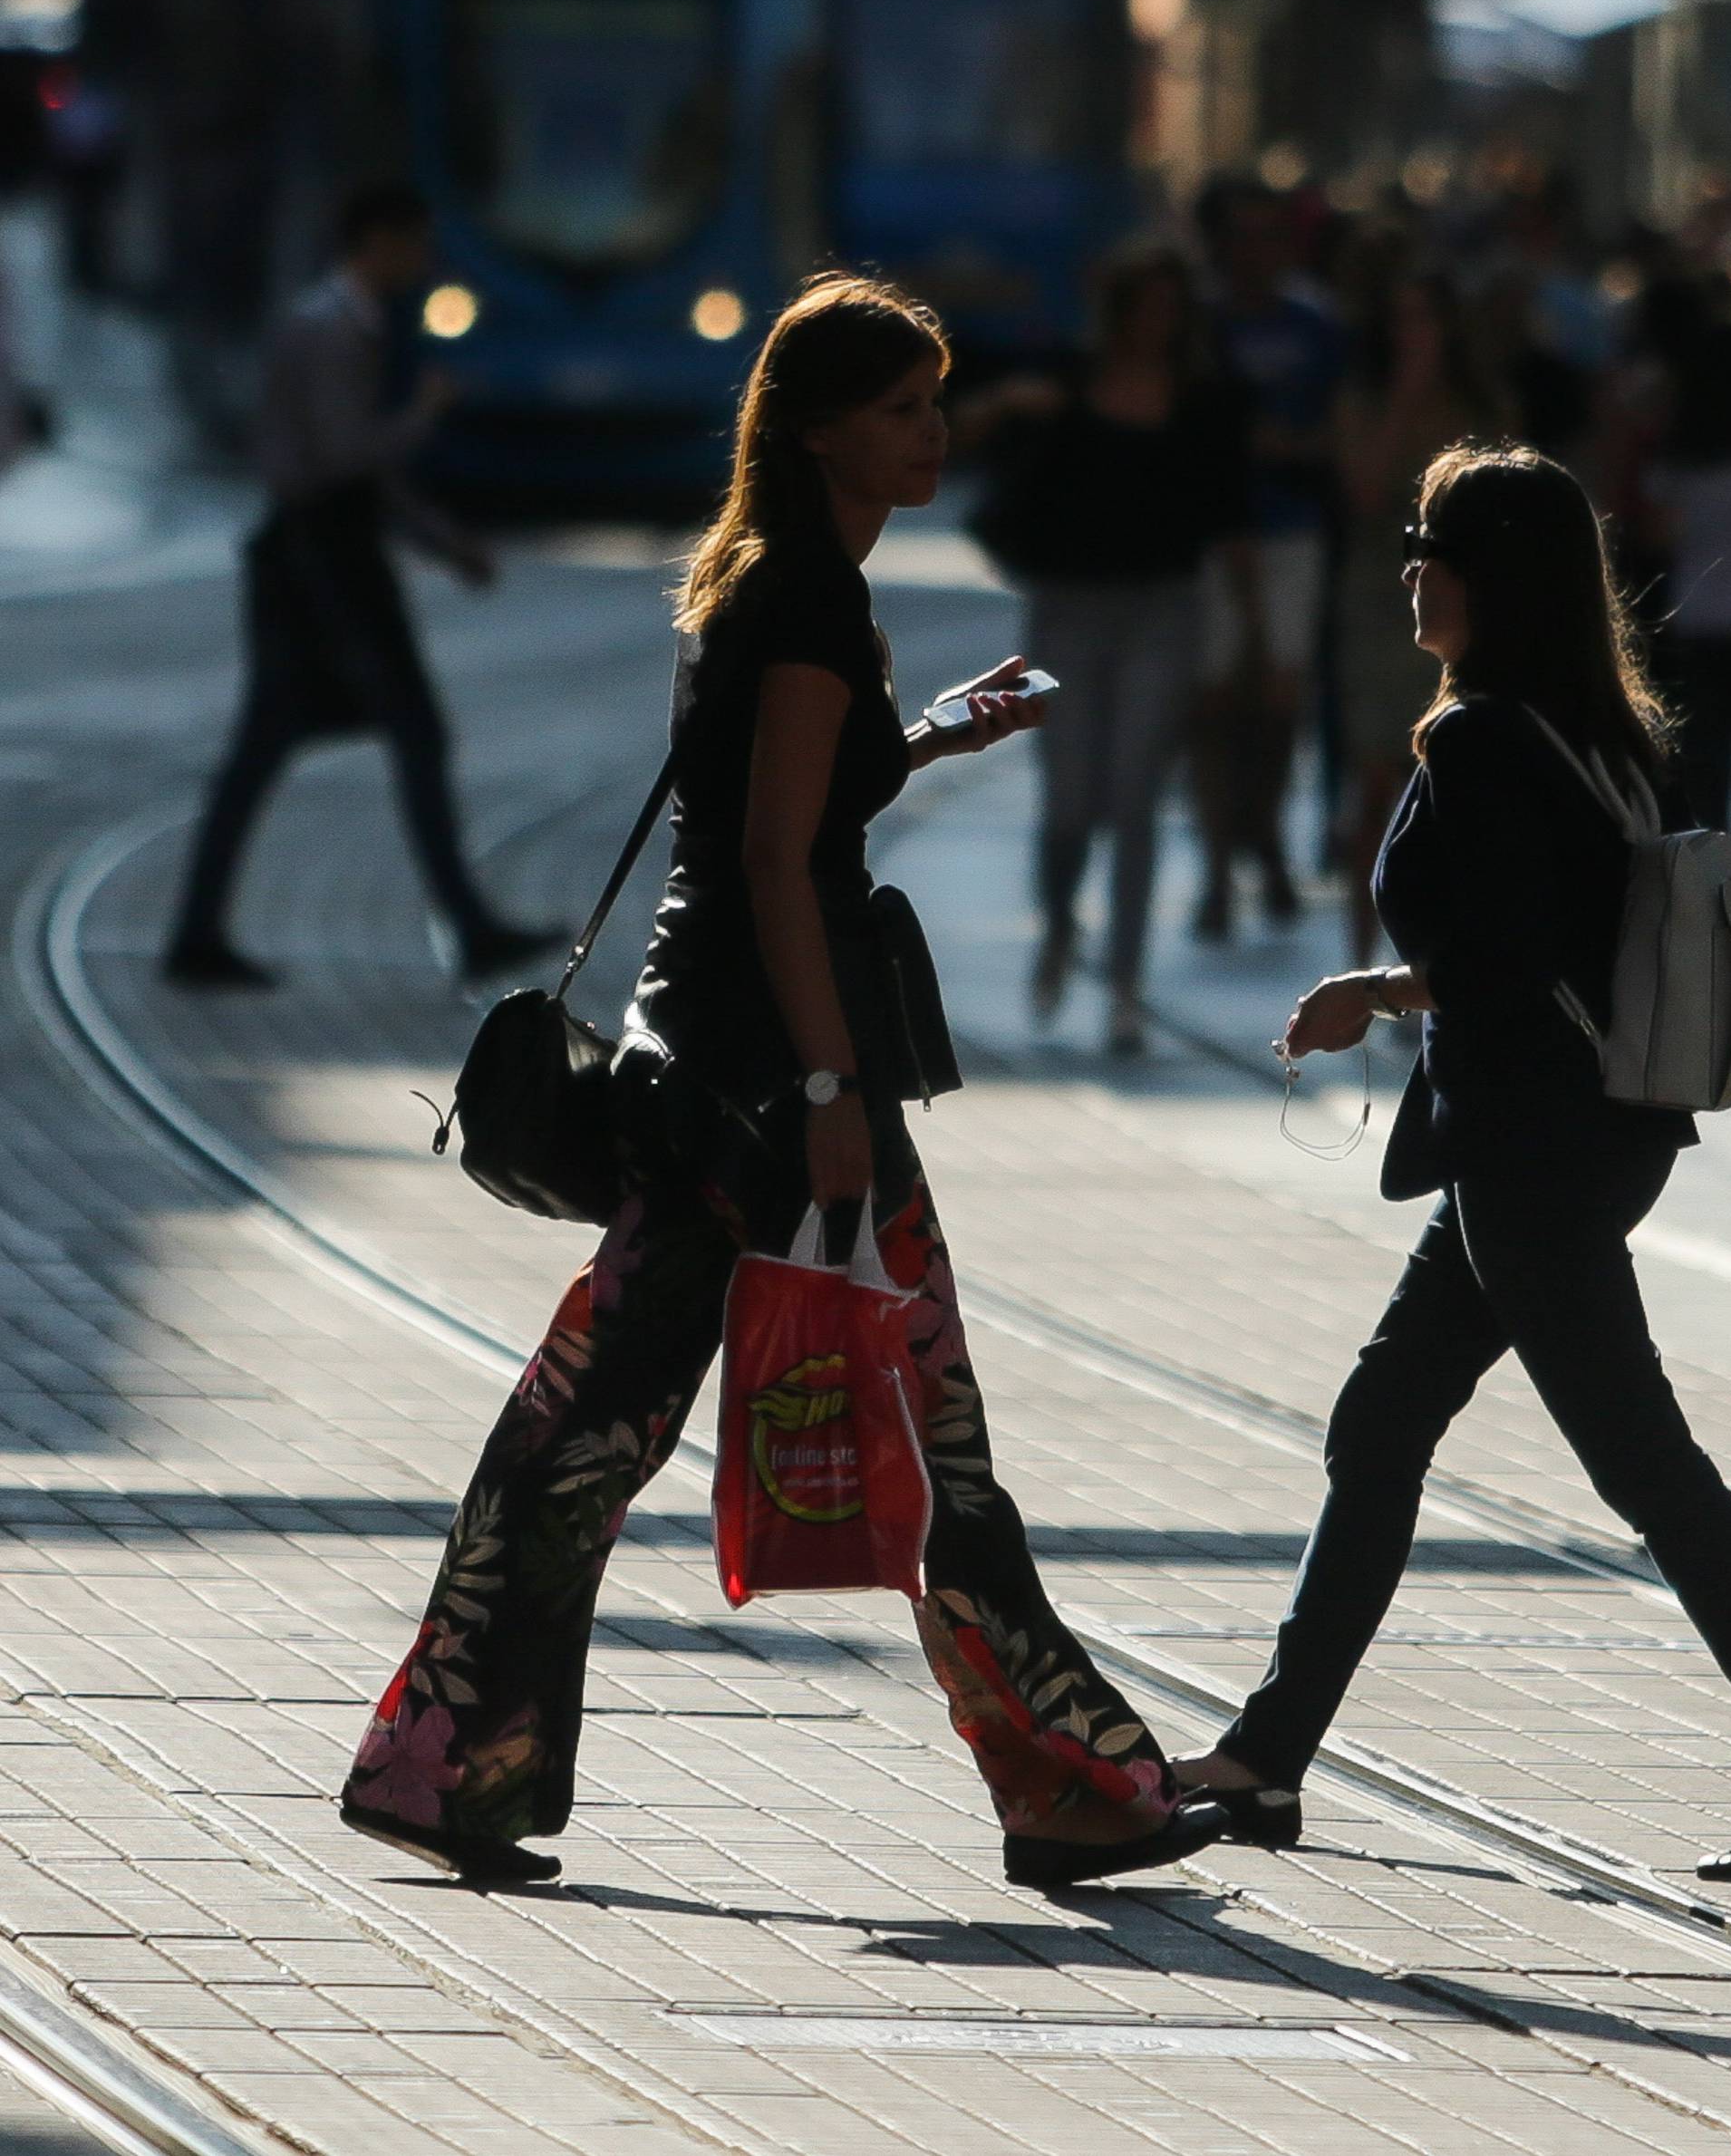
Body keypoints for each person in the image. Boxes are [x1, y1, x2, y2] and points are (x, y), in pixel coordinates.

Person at [337, 275, 1228, 1890]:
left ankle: (445, 1754)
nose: (932, 430)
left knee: (584, 1429)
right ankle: (1072, 1787)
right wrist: (828, 1081)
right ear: (819, 425)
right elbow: (768, 857)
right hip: (783, 1079)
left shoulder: (767, 580)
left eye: (936, 399)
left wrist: (942, 730)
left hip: (711, 1074)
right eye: (900, 407)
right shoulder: (810, 599)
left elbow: (801, 802)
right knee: (916, 1427)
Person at [1174, 443, 1731, 1885]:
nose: (1409, 569)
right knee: (1381, 1421)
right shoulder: (1603, 729)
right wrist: (1387, 989)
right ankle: (1265, 1757)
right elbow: (1544, 944)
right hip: (1581, 1136)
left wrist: (1384, 982)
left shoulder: (1483, 741)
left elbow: (1496, 959)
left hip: (1530, 1152)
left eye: (1432, 546)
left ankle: (1261, 1754)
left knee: (1651, 1471)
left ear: (1493, 577)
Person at [163, 182, 556, 989]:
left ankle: (199, 931)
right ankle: (469, 926)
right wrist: (423, 412)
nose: (421, 262)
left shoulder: (343, 325)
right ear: (375, 242)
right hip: (326, 575)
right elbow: (345, 459)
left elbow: (362, 481)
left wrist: (445, 544)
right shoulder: (332, 331)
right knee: (400, 736)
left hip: (317, 565)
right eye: (412, 245)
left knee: (278, 750)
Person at [962, 245, 1255, 1055]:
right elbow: (972, 436)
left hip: (1165, 609)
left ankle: (1125, 986)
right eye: (1146, 305)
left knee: (1134, 800)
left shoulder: (1201, 400)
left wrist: (1253, 629)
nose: (1158, 323)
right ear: (1122, 311)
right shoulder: (1066, 376)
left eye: (1171, 307)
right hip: (1067, 609)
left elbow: (1229, 519)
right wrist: (1012, 405)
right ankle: (1058, 925)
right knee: (1068, 802)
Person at [1195, 180, 1347, 941]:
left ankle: (1267, 836)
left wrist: (1292, 449)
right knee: (1216, 703)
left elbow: (1341, 428)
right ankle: (1221, 865)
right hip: (1213, 535)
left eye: (1268, 236)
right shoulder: (1201, 325)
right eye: (1242, 235)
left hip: (1291, 529)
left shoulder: (1315, 325)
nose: (1254, 252)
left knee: (1281, 701)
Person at [1335, 271, 1494, 964]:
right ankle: (1365, 947)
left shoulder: (1482, 403)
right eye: (1399, 321)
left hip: (1466, 607)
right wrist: (1403, 395)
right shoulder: (1359, 400)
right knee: (1374, 782)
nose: (1413, 334)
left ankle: (1433, 955)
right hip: (1379, 600)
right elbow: (1365, 489)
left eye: (1424, 319)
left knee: (1452, 779)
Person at [1640, 321, 1731, 830]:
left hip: (1698, 618)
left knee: (1705, 767)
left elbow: (1658, 533)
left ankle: (1716, 887)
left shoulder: (1681, 450)